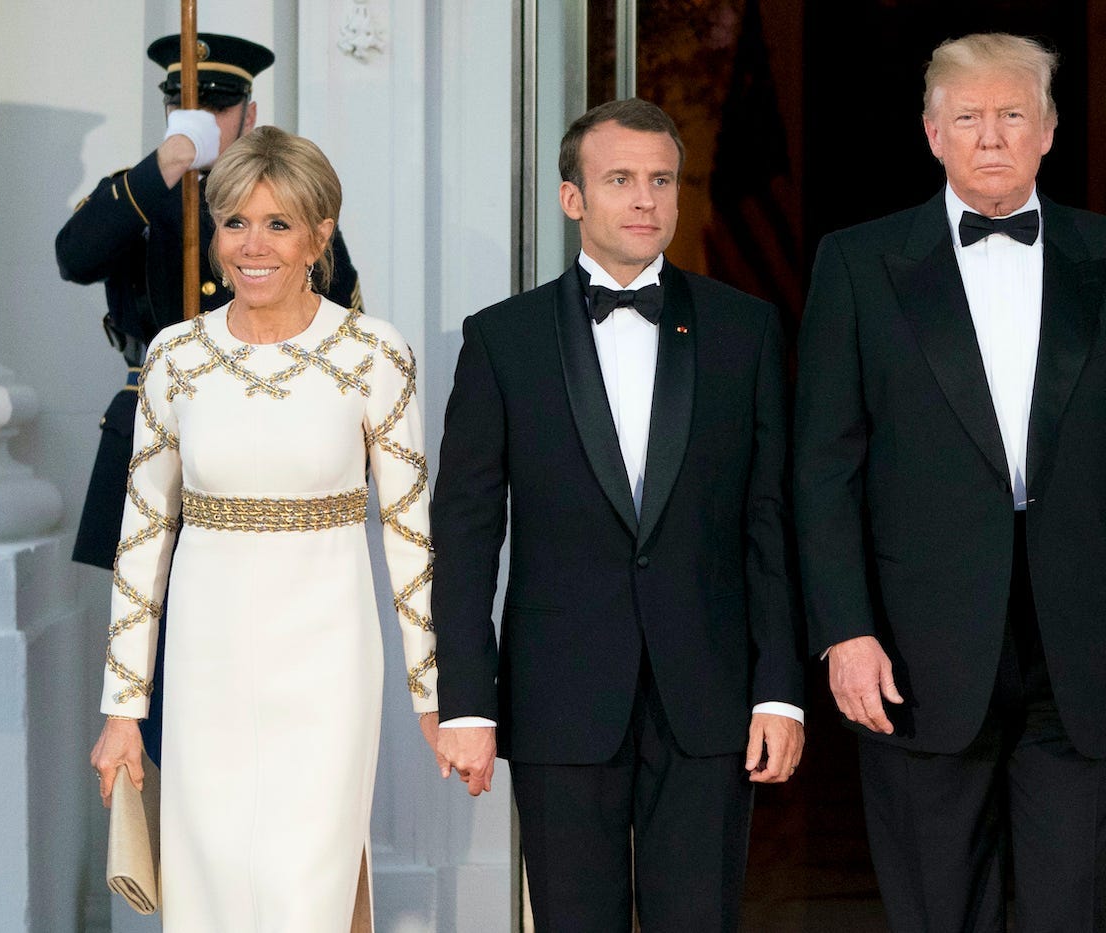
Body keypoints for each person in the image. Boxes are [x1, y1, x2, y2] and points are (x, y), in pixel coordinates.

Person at [793, 33, 1106, 932]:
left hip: (1085, 647)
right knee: (938, 910)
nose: (991, 137)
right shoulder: (858, 264)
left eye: (1012, 115)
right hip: (911, 649)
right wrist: (844, 632)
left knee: (1068, 908)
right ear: (932, 133)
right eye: (969, 118)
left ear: (1049, 130)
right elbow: (823, 469)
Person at [428, 98, 806, 932]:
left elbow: (770, 521)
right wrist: (465, 700)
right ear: (574, 199)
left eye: (661, 180)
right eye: (621, 179)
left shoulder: (746, 331)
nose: (645, 199)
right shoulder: (502, 339)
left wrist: (780, 689)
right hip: (558, 697)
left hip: (709, 696)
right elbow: (464, 531)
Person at [86, 126, 435, 931]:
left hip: (328, 667)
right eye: (234, 221)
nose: (253, 244)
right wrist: (121, 709)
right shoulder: (176, 357)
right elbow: (143, 541)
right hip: (206, 664)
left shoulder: (375, 354)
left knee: (300, 885)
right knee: (208, 886)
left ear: (319, 235)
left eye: (279, 224)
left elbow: (409, 534)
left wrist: (433, 691)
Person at [56, 33, 362, 760]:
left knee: (262, 659)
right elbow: (74, 255)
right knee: (155, 661)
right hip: (157, 444)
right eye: (181, 104)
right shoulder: (137, 195)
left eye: (216, 107)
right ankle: (166, 851)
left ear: (247, 115)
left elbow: (338, 307)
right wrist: (165, 167)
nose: (198, 119)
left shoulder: (283, 209)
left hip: (264, 439)